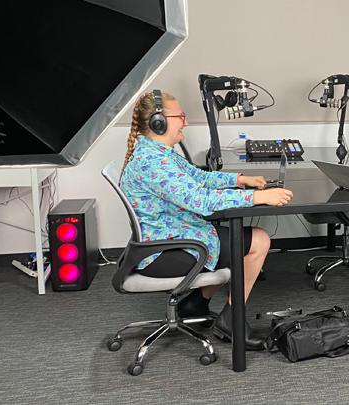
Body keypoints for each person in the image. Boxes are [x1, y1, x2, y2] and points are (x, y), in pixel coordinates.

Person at [120, 90, 293, 350]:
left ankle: (195, 304)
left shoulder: (158, 153)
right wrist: (258, 197)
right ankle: (231, 322)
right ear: (159, 122)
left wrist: (239, 180)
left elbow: (199, 178)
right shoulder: (153, 163)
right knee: (258, 240)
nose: (186, 122)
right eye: (180, 116)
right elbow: (200, 200)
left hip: (169, 240)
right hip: (164, 252)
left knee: (233, 239)